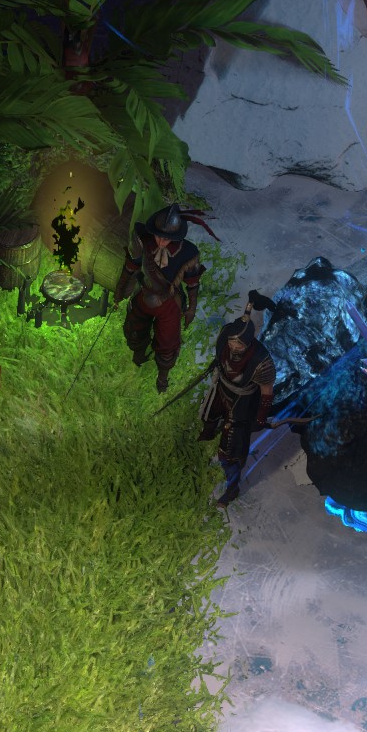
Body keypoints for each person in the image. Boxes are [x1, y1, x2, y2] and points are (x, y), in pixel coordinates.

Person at [198, 298, 278, 507]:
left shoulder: (260, 360)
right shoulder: (225, 336)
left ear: (248, 343)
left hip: (242, 400)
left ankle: (232, 488)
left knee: (232, 449)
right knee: (209, 415)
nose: (233, 346)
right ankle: (206, 437)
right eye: (232, 342)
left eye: (238, 344)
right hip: (222, 388)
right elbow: (220, 358)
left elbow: (266, 391)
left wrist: (260, 417)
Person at [118, 207, 205, 392]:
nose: (161, 241)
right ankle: (138, 355)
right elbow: (131, 266)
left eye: (166, 238)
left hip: (169, 304)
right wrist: (120, 289)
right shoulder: (144, 240)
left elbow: (193, 283)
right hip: (144, 294)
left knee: (167, 343)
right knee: (134, 328)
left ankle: (163, 377)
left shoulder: (187, 253)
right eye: (158, 236)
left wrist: (191, 308)